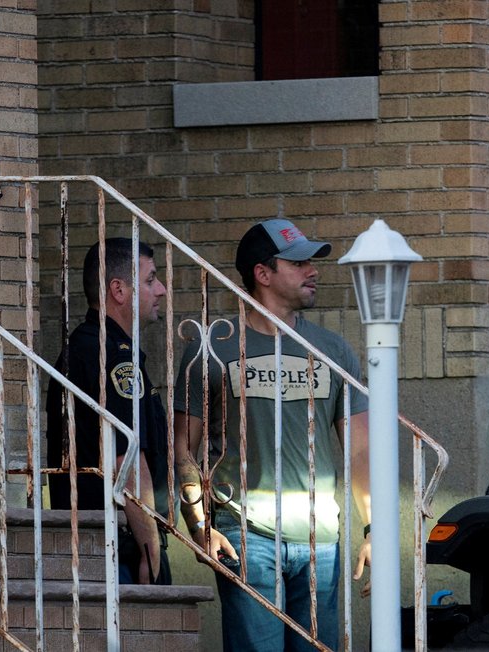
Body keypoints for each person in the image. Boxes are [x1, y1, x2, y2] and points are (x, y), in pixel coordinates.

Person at [173, 218, 372, 650]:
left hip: (321, 539)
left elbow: (360, 451)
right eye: (298, 262)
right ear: (262, 274)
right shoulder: (211, 347)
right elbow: (182, 449)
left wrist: (374, 527)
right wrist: (198, 525)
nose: (313, 270)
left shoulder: (333, 351)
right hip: (246, 536)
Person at [46, 237, 172, 585]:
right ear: (118, 289)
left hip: (101, 542)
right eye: (150, 280)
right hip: (118, 548)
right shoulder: (110, 355)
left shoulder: (92, 347)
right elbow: (126, 461)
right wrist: (150, 548)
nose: (160, 289)